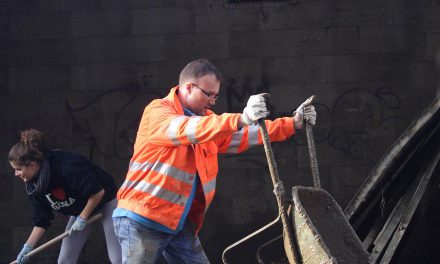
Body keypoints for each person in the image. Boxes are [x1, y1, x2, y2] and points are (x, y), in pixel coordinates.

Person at [112, 58, 316, 264]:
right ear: (189, 88)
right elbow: (188, 129)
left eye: (216, 96)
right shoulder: (158, 112)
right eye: (208, 94)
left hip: (178, 222)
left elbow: (246, 135)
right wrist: (241, 118)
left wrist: (293, 124)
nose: (212, 101)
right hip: (143, 218)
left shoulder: (207, 123)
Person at [9, 129, 122, 264]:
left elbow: (98, 192)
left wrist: (82, 218)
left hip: (106, 202)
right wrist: (27, 247)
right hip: (80, 210)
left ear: (32, 165)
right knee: (65, 260)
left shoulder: (66, 166)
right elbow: (41, 220)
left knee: (118, 259)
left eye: (18, 169)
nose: (16, 174)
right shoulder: (34, 186)